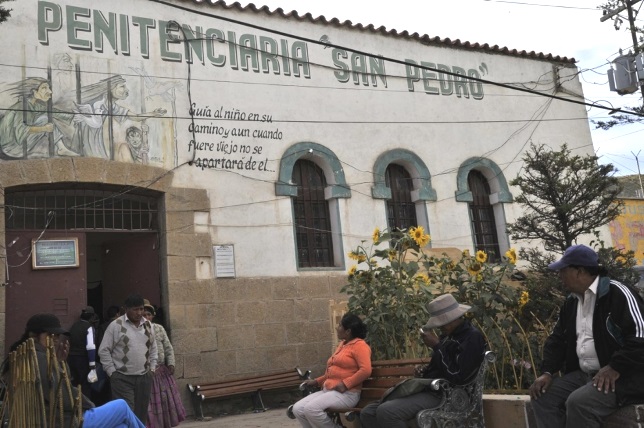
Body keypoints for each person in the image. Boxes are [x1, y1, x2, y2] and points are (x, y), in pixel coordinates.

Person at [528, 244, 644, 428]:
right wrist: (547, 372)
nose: (560, 276)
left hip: (623, 377)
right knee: (542, 395)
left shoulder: (617, 294)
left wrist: (614, 366)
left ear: (579, 271)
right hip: (585, 375)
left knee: (578, 402)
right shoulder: (571, 303)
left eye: (563, 271)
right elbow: (557, 340)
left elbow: (640, 337)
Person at [360, 294, 487, 428]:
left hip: (447, 395)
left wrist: (437, 346)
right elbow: (443, 365)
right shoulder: (449, 336)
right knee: (368, 413)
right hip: (431, 389)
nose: (439, 328)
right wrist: (425, 371)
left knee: (387, 412)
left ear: (452, 319)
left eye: (441, 324)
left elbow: (457, 376)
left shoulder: (472, 338)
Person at [5, 313, 146, 427]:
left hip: (48, 419)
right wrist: (88, 404)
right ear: (33, 336)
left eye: (57, 336)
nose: (55, 340)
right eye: (50, 335)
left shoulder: (24, 355)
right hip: (61, 421)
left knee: (122, 426)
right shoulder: (39, 358)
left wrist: (61, 363)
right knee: (121, 406)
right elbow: (62, 395)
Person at [291, 313, 372, 428]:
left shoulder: (360, 346)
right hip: (329, 391)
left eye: (340, 326)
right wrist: (317, 381)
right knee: (298, 409)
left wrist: (346, 384)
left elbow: (366, 370)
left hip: (348, 393)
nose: (337, 328)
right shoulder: (342, 345)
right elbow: (332, 373)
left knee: (311, 409)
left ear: (348, 331)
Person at [99, 294, 158, 423]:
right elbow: (104, 350)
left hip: (144, 376)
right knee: (127, 413)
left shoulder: (148, 325)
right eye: (135, 309)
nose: (139, 313)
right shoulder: (115, 326)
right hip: (122, 378)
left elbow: (153, 348)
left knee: (141, 413)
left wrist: (152, 369)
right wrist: (112, 372)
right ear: (126, 309)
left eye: (141, 309)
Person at [0, 77, 78, 158]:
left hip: (19, 145)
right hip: (12, 148)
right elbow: (20, 130)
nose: (50, 92)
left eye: (49, 88)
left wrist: (74, 115)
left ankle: (61, 149)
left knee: (46, 116)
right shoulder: (21, 106)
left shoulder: (33, 105)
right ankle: (61, 148)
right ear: (34, 92)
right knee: (44, 119)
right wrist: (44, 128)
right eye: (44, 88)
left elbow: (52, 112)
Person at [143, 300, 186, 428]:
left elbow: (168, 347)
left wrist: (171, 363)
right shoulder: (137, 330)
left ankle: (165, 423)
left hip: (161, 372)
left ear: (153, 316)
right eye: (144, 315)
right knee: (150, 402)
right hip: (147, 372)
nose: (146, 317)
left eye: (148, 315)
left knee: (164, 400)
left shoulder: (159, 329)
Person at [68, 305, 100, 398]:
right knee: (85, 387)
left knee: (74, 386)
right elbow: (90, 346)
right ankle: (84, 410)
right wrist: (92, 365)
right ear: (92, 317)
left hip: (71, 359)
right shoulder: (89, 327)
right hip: (83, 361)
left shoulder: (74, 326)